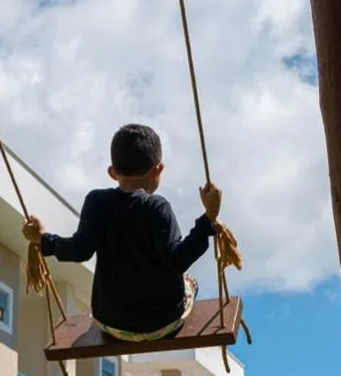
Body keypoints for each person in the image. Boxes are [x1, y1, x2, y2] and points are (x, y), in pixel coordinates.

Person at [23, 123, 224, 341]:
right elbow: (178, 260)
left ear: (112, 172)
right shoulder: (157, 207)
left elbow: (79, 250)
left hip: (111, 322)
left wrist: (43, 240)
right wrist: (208, 218)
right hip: (161, 322)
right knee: (189, 282)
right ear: (158, 169)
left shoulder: (96, 202)